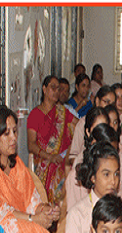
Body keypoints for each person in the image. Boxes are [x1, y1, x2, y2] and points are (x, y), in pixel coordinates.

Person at [63, 142, 122, 233]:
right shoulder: (78, 214)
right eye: (106, 174)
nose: (113, 181)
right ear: (93, 177)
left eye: (116, 174)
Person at [27, 75, 76, 203]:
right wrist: (50, 156)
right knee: (60, 179)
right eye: (53, 87)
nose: (56, 91)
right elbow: (31, 145)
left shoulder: (62, 112)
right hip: (43, 161)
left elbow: (79, 125)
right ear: (44, 89)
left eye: (58, 88)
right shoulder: (35, 115)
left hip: (62, 159)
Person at [68, 87, 117, 162]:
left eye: (112, 104)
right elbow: (73, 157)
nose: (109, 107)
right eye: (107, 102)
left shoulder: (113, 123)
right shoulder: (84, 122)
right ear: (97, 101)